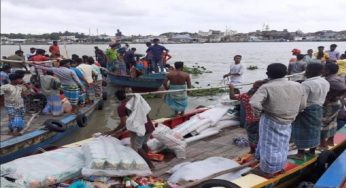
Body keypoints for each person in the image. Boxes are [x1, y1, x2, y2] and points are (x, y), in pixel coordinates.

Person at [250, 63, 306, 177]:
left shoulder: (266, 87)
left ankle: (267, 171)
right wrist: (295, 111)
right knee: (283, 143)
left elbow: (254, 103)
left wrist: (258, 114)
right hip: (289, 119)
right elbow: (303, 104)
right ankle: (279, 165)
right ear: (286, 73)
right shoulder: (297, 85)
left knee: (269, 145)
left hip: (271, 118)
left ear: (267, 74)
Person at [105, 90, 155, 170]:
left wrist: (112, 131)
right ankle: (147, 159)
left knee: (138, 147)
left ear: (117, 98)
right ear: (127, 95)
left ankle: (151, 166)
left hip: (141, 129)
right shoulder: (136, 102)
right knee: (143, 143)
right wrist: (123, 130)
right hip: (149, 126)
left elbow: (123, 123)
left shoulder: (121, 107)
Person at [290, 63, 330, 159]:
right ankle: (312, 152)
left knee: (301, 131)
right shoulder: (325, 81)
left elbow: (302, 101)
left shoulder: (306, 84)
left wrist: (296, 112)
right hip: (319, 108)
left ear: (309, 71)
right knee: (315, 130)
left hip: (306, 109)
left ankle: (300, 154)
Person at [229, 80, 267, 153]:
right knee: (261, 136)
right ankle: (260, 150)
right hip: (262, 120)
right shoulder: (264, 97)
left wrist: (231, 88)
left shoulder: (245, 96)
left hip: (250, 120)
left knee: (252, 137)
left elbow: (232, 97)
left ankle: (253, 151)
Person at [320, 63, 346, 148]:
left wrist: (331, 98)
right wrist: (338, 97)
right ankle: (330, 141)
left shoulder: (330, 80)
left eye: (323, 69)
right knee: (332, 122)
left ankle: (323, 144)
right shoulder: (338, 77)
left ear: (328, 70)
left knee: (322, 123)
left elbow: (343, 88)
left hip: (330, 104)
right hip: (337, 103)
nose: (321, 71)